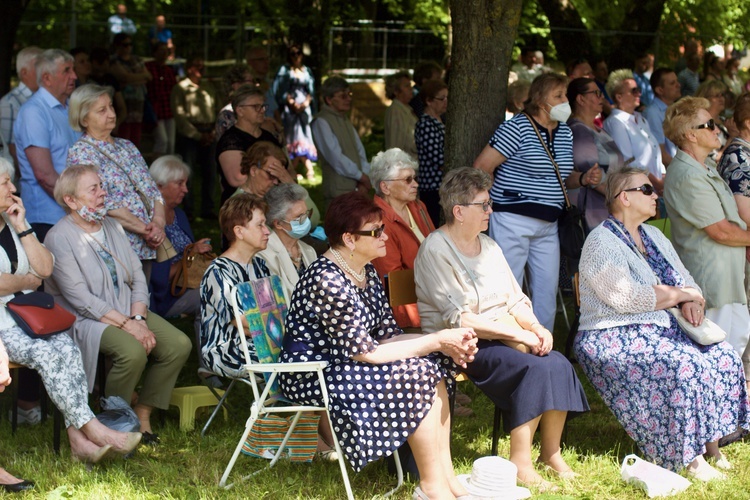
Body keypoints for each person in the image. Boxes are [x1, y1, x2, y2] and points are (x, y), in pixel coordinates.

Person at [279, 191, 478, 499]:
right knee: (417, 373)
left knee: (435, 364)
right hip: (315, 372)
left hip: (350, 360)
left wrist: (444, 343)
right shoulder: (326, 279)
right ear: (349, 239)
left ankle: (447, 477)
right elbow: (367, 352)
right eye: (375, 231)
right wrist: (436, 340)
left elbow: (388, 335)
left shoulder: (365, 270)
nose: (385, 235)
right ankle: (431, 485)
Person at [414, 167, 589, 490]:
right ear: (459, 211)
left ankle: (550, 454)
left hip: (504, 335)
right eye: (483, 205)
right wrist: (518, 335)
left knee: (558, 362)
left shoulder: (489, 246)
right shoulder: (436, 249)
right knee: (533, 369)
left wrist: (536, 327)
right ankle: (520, 462)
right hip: (460, 342)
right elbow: (460, 319)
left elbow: (515, 299)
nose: (490, 211)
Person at [575, 166, 749, 480]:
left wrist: (692, 299)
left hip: (660, 328)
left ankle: (712, 447)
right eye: (647, 190)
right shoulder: (600, 242)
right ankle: (688, 457)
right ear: (624, 198)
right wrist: (679, 295)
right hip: (612, 333)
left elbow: (688, 281)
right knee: (682, 364)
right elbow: (628, 299)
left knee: (721, 356)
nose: (656, 195)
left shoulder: (653, 234)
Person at [0, 159, 142, 464]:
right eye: (5, 183)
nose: (14, 189)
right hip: (2, 328)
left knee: (67, 346)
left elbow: (44, 269)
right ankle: (92, 431)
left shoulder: (12, 224)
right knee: (49, 355)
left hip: (27, 319)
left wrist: (23, 225)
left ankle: (78, 440)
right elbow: (26, 278)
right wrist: (25, 280)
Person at [45, 165, 191, 441]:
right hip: (85, 319)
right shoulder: (59, 237)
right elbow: (80, 298)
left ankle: (142, 411)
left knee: (178, 344)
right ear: (71, 200)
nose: (103, 193)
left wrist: (137, 319)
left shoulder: (111, 225)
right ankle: (113, 425)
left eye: (102, 185)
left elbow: (137, 276)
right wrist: (128, 325)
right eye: (94, 189)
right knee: (132, 351)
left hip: (126, 308)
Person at [474, 72, 601, 331]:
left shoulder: (564, 132)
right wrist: (486, 206)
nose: (566, 101)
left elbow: (563, 178)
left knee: (546, 290)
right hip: (512, 220)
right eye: (559, 96)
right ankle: (506, 343)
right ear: (541, 101)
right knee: (507, 287)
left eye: (565, 95)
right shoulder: (517, 127)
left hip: (549, 223)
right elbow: (482, 167)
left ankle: (544, 345)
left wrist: (584, 178)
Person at [663, 96, 750, 387]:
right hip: (710, 280)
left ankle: (726, 421)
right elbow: (721, 231)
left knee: (733, 343)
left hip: (726, 276)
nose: (717, 129)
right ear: (690, 134)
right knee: (716, 353)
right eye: (709, 124)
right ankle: (715, 425)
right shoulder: (688, 175)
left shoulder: (705, 167)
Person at [66, 84, 166, 278]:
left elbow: (152, 190)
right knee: (124, 304)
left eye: (111, 107)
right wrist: (146, 230)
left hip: (148, 244)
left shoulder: (127, 146)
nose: (111, 114)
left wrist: (159, 224)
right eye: (102, 110)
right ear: (84, 118)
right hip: (117, 247)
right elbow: (100, 202)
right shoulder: (82, 153)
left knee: (143, 302)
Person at [199, 193, 271, 377]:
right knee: (302, 361)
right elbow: (243, 321)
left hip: (261, 341)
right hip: (229, 349)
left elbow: (268, 314)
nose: (267, 231)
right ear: (239, 231)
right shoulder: (220, 271)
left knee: (313, 357)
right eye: (260, 225)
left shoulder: (260, 266)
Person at [369, 148, 434, 328]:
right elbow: (395, 283)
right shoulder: (378, 221)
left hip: (434, 293)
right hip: (411, 309)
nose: (415, 184)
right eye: (407, 180)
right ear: (385, 187)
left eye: (414, 178)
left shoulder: (418, 207)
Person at [149, 155, 211, 337]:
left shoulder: (179, 215)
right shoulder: (150, 223)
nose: (185, 190)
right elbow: (159, 278)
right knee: (211, 297)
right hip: (165, 296)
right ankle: (208, 362)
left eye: (186, 183)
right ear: (159, 186)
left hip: (185, 285)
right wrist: (191, 254)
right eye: (179, 183)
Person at [216, 86, 289, 209]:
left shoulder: (269, 137)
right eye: (256, 107)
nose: (262, 110)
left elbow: (288, 168)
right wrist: (279, 179)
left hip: (275, 205)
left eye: (263, 106)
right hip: (243, 208)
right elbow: (237, 179)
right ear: (240, 111)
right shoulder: (230, 140)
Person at [567, 77, 624, 230]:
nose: (602, 97)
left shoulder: (598, 129)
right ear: (580, 99)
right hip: (592, 213)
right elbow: (593, 176)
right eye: (597, 93)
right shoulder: (578, 130)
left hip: (609, 209)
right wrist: (624, 199)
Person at [311, 76, 371, 208]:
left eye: (349, 94)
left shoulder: (345, 120)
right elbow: (335, 157)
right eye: (343, 96)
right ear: (329, 100)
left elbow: (360, 151)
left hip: (356, 188)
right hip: (338, 190)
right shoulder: (322, 122)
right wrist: (362, 177)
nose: (349, 99)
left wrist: (364, 176)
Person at [603, 69, 664, 195]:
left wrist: (663, 178)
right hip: (639, 191)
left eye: (638, 90)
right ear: (619, 97)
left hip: (656, 190)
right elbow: (629, 163)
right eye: (633, 91)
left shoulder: (641, 119)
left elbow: (654, 154)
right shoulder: (616, 122)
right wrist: (657, 183)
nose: (639, 94)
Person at [171, 55, 217, 219]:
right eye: (198, 66)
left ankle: (208, 209)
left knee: (210, 173)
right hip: (190, 135)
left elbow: (216, 109)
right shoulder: (180, 88)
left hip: (209, 131)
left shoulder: (208, 86)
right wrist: (197, 135)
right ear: (189, 68)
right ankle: (188, 209)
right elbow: (180, 116)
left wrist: (212, 132)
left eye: (203, 66)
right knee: (187, 174)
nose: (201, 70)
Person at [257, 183, 316, 301]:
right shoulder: (263, 256)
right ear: (278, 223)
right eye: (299, 217)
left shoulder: (309, 250)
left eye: (307, 214)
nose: (306, 220)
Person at [273, 44, 318, 180]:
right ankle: (295, 168)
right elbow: (280, 89)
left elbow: (311, 91)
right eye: (293, 54)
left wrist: (305, 104)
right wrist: (292, 104)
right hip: (290, 112)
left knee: (305, 136)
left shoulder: (307, 71)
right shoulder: (284, 70)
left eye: (299, 53)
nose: (296, 56)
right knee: (292, 137)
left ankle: (302, 168)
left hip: (304, 111)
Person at [414, 79, 449, 227]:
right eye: (441, 98)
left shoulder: (439, 121)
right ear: (428, 101)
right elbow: (438, 159)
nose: (446, 102)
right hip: (432, 188)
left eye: (447, 97)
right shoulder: (426, 124)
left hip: (440, 186)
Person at [0, 46, 41, 164]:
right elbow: (10, 149)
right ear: (24, 72)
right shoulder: (9, 103)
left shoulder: (44, 99)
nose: (45, 71)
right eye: (39, 67)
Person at [109, 33, 152, 148]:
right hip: (123, 108)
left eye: (130, 44)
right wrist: (139, 78)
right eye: (125, 45)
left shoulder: (137, 59)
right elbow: (123, 77)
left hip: (138, 107)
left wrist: (130, 79)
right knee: (123, 142)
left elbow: (148, 77)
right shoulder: (113, 61)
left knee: (136, 141)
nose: (128, 47)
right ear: (117, 45)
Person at [643, 68, 681, 167]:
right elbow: (661, 155)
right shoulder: (653, 113)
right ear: (660, 90)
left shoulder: (674, 109)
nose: (678, 85)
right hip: (671, 172)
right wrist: (682, 170)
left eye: (677, 81)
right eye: (672, 83)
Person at [145, 42, 177, 156]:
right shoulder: (147, 67)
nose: (164, 53)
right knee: (162, 140)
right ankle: (157, 169)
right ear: (154, 52)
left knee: (171, 143)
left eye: (166, 51)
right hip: (155, 111)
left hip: (169, 110)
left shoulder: (169, 70)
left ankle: (170, 169)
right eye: (161, 50)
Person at [695, 80, 736, 166]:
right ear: (704, 99)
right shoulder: (702, 125)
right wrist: (732, 137)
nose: (722, 98)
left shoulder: (725, 120)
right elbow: (714, 160)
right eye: (717, 96)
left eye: (722, 95)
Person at [214, 64, 254, 141]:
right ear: (236, 85)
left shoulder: (254, 110)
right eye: (250, 81)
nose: (255, 85)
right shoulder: (227, 114)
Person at [383, 70, 417, 158]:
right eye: (407, 86)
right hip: (406, 167)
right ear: (396, 91)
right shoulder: (396, 111)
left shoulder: (407, 108)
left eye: (410, 85)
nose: (411, 88)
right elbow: (395, 145)